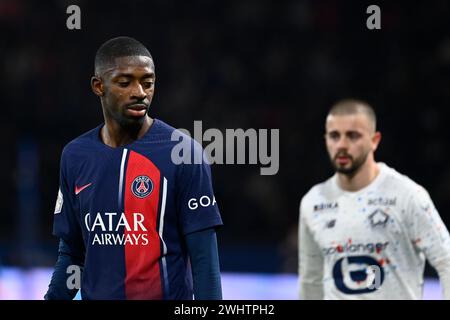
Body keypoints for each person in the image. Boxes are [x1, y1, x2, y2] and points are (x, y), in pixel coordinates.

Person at [45, 36, 223, 300]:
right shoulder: (75, 156)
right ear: (98, 86)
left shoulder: (184, 154)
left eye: (147, 83)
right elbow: (72, 253)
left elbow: (205, 263)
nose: (139, 92)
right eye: (124, 83)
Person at [298, 99, 450, 300]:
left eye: (353, 136)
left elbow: (446, 260)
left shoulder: (406, 196)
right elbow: (311, 282)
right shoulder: (313, 202)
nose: (342, 145)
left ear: (374, 140)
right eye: (334, 136)